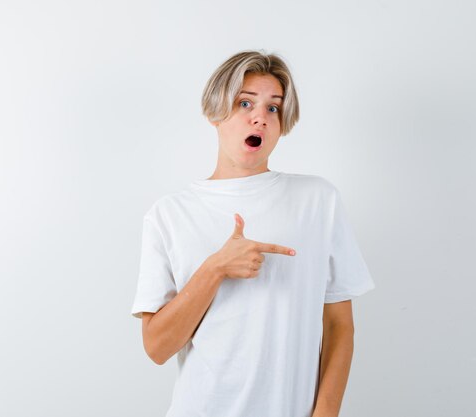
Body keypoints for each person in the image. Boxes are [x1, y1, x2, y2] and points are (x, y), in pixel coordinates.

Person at [130, 50, 375, 417]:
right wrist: (215, 269)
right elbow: (157, 347)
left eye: (273, 108)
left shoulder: (317, 200)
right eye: (245, 103)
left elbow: (340, 326)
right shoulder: (169, 215)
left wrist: (325, 413)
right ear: (215, 112)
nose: (260, 117)